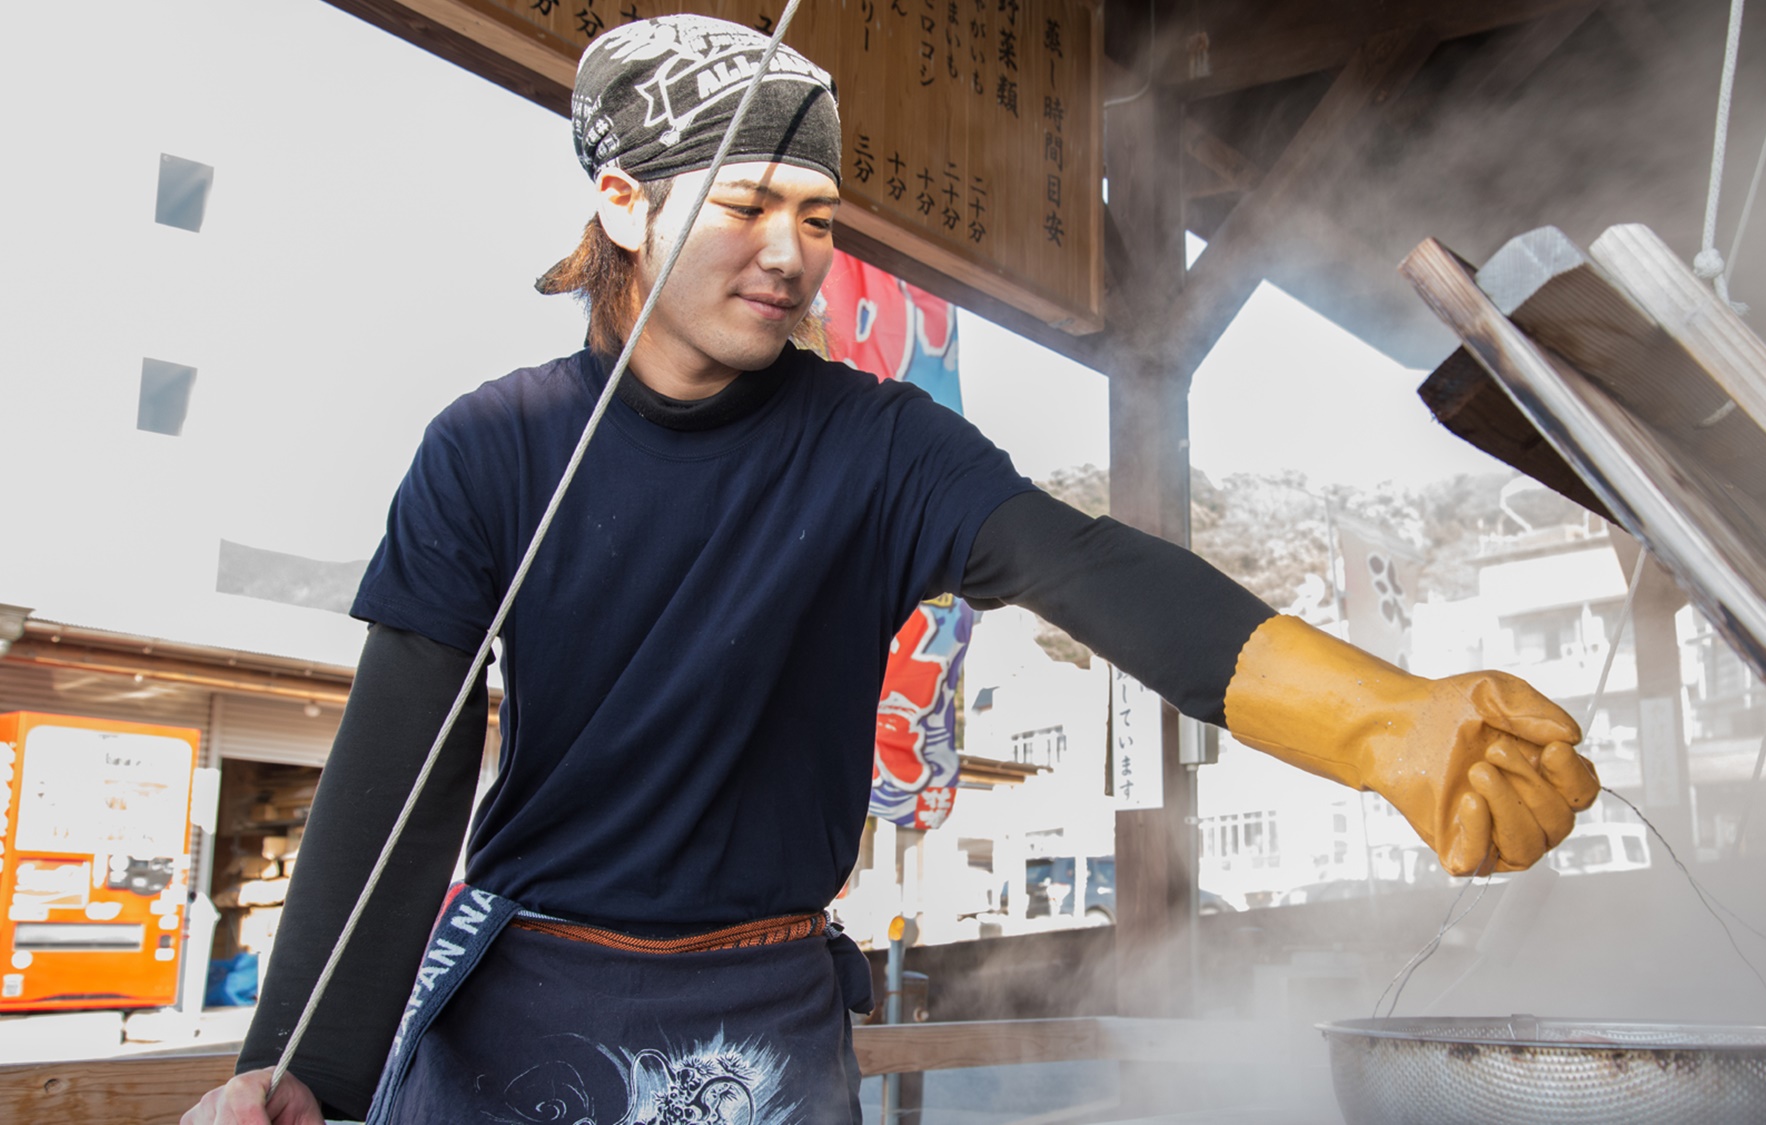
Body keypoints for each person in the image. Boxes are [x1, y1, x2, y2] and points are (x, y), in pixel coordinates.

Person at [184, 14, 1596, 1125]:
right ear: (621, 203)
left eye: (818, 212)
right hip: (523, 1018)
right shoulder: (490, 447)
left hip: (769, 1022)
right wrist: (300, 1062)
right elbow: (398, 775)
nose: (793, 251)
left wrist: (1382, 719)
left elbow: (1094, 569)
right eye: (746, 203)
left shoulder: (879, 446)